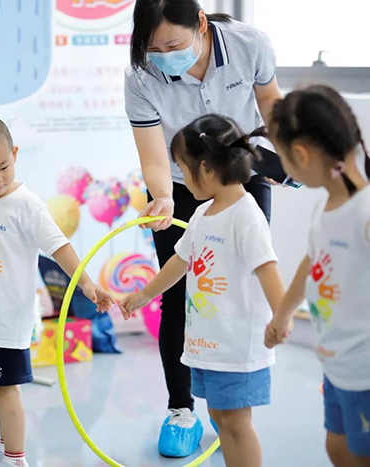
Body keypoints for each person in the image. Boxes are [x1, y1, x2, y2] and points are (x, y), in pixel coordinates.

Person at [124, 0, 283, 456]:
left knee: (236, 286)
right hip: (180, 183)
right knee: (179, 298)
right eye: (154, 49)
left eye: (173, 45)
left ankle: (232, 397)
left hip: (241, 173)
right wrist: (164, 196)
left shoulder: (249, 45)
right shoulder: (140, 76)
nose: (163, 56)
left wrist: (285, 161)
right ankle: (182, 409)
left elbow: (271, 107)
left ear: (200, 23)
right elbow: (154, 156)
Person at [0, 116, 113, 467]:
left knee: (7, 390)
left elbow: (59, 246)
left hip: (7, 321)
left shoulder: (27, 205)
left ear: (15, 154)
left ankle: (16, 458)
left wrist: (86, 283)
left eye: (3, 167)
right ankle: (5, 448)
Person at [264, 86, 370, 467]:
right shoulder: (326, 208)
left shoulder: (364, 211)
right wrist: (282, 313)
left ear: (302, 155)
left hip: (364, 372)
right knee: (338, 449)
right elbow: (312, 264)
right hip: (336, 366)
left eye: (281, 156)